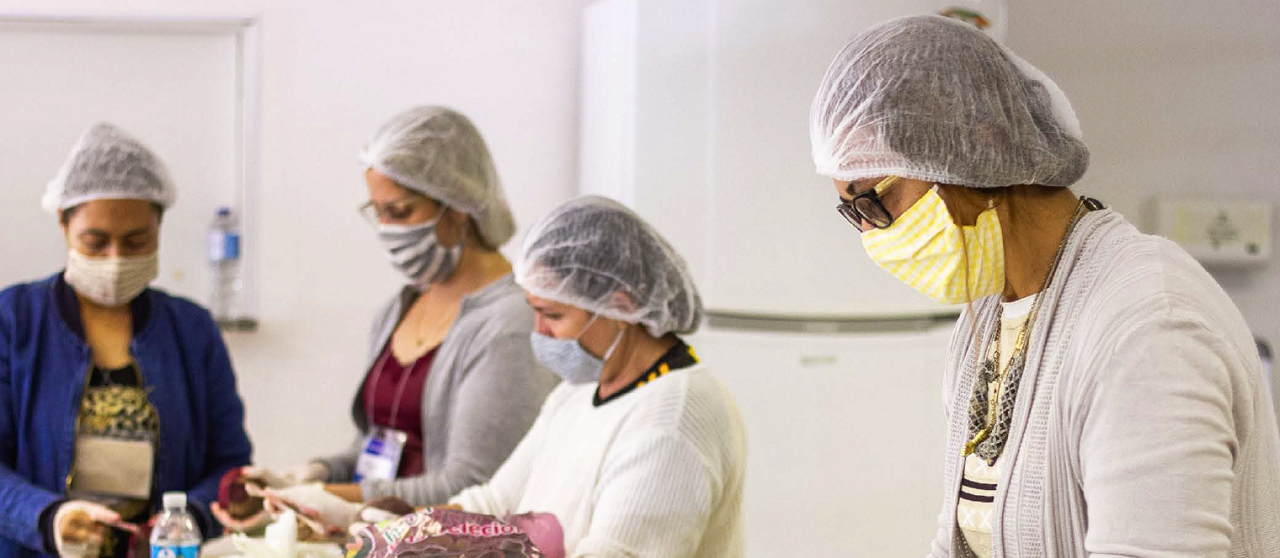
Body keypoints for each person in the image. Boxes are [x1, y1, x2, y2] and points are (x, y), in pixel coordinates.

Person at [809, 15, 1280, 557]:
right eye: (853, 213)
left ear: (974, 144)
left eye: (873, 199)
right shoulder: (988, 318)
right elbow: (959, 539)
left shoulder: (1148, 326)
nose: (872, 233)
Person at [216, 107, 557, 526]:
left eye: (400, 212)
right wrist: (315, 474)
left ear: (459, 204)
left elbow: (472, 486)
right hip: (380, 537)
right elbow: (377, 451)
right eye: (376, 212)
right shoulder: (400, 307)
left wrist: (324, 498)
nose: (386, 229)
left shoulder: (510, 323)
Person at [0, 123, 253, 558]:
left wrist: (185, 520)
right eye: (95, 242)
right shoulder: (14, 320)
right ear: (63, 223)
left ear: (159, 227)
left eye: (137, 241)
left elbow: (230, 464)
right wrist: (47, 518)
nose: (116, 259)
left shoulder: (192, 330)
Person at [443, 196, 747, 557]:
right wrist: (405, 532)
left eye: (553, 315)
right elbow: (494, 504)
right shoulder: (577, 393)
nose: (539, 332)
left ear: (621, 306)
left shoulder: (672, 420)